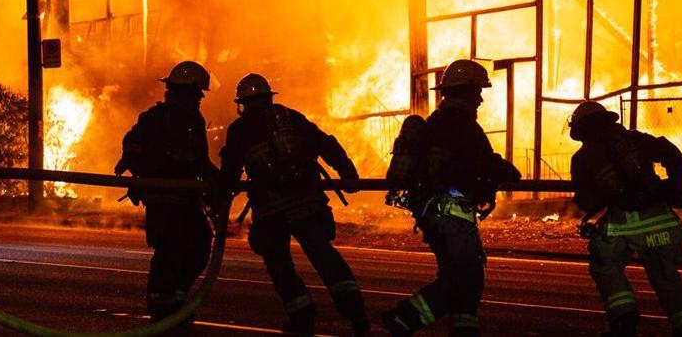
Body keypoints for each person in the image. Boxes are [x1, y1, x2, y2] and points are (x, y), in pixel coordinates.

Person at [216, 73, 370, 335]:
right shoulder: (291, 117)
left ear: (242, 104)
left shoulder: (240, 129)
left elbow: (230, 172)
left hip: (271, 210)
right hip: (307, 202)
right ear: (268, 97)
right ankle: (357, 315)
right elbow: (326, 144)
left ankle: (302, 319)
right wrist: (347, 172)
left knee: (280, 266)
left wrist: (216, 196)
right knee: (324, 256)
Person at [384, 59, 521, 337]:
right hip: (452, 216)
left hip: (431, 213)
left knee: (458, 277)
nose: (480, 99)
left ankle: (459, 329)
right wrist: (509, 172)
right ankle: (406, 317)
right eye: (478, 91)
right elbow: (484, 163)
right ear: (466, 92)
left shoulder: (435, 123)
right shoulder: (464, 127)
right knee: (466, 277)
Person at [568, 100, 682, 337]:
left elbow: (586, 200)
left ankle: (623, 319)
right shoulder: (636, 139)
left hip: (622, 225)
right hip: (659, 221)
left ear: (581, 129)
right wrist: (677, 188)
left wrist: (601, 197)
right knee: (667, 277)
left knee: (605, 265)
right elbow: (671, 153)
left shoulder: (583, 157)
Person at [116, 60, 220, 330]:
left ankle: (176, 299)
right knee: (169, 253)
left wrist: (220, 181)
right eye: (196, 95)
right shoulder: (153, 119)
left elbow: (200, 160)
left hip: (187, 200)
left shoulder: (195, 121)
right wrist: (132, 160)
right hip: (162, 202)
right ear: (180, 93)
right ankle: (161, 311)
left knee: (200, 246)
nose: (198, 100)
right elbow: (133, 143)